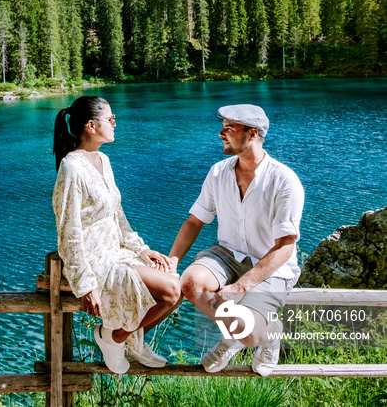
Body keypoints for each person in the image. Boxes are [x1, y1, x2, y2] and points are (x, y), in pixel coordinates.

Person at [168, 104, 305, 376]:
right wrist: (173, 260)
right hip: (227, 255)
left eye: (229, 128)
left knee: (252, 335)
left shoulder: (284, 180)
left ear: (252, 134)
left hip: (271, 267)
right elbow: (195, 221)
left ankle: (265, 334)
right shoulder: (218, 172)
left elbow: (285, 246)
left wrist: (242, 286)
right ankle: (235, 332)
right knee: (190, 282)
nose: (221, 133)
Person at [53, 96, 181, 374]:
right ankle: (115, 337)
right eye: (110, 119)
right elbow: (68, 231)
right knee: (171, 292)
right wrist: (86, 284)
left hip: (116, 250)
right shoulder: (72, 167)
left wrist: (140, 249)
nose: (115, 124)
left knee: (174, 277)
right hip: (95, 260)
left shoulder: (103, 160)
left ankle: (131, 339)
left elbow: (117, 215)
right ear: (91, 126)